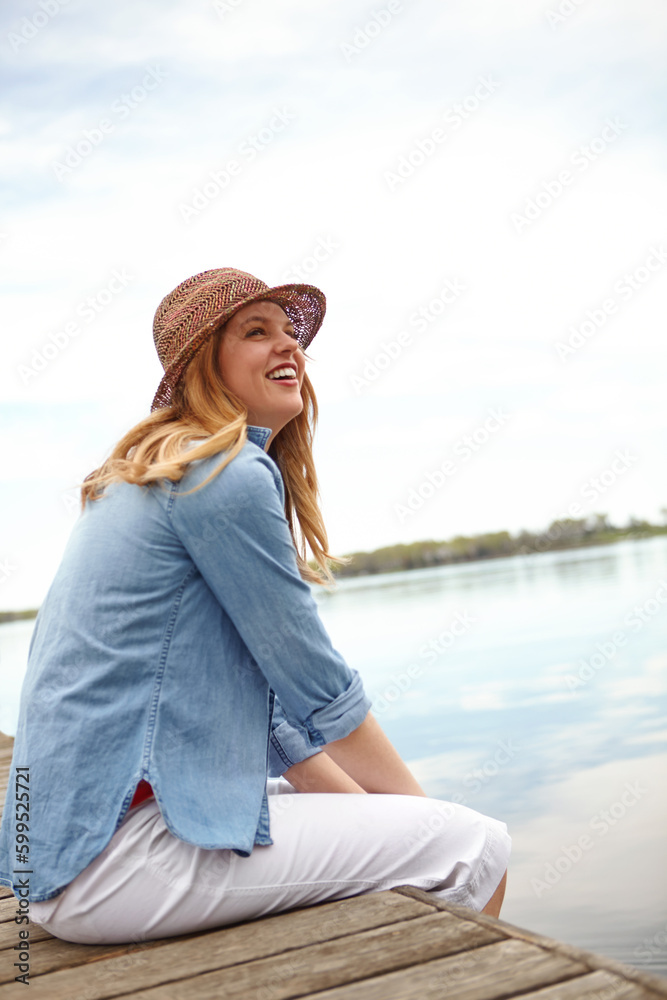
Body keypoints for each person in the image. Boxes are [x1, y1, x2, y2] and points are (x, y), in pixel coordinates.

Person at [0, 267, 510, 944]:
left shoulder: (168, 469)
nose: (289, 348)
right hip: (111, 857)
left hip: (62, 848)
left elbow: (279, 727)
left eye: (290, 335)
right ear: (204, 367)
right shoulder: (220, 475)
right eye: (256, 331)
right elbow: (318, 689)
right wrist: (421, 814)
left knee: (408, 839)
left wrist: (376, 819)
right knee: (475, 846)